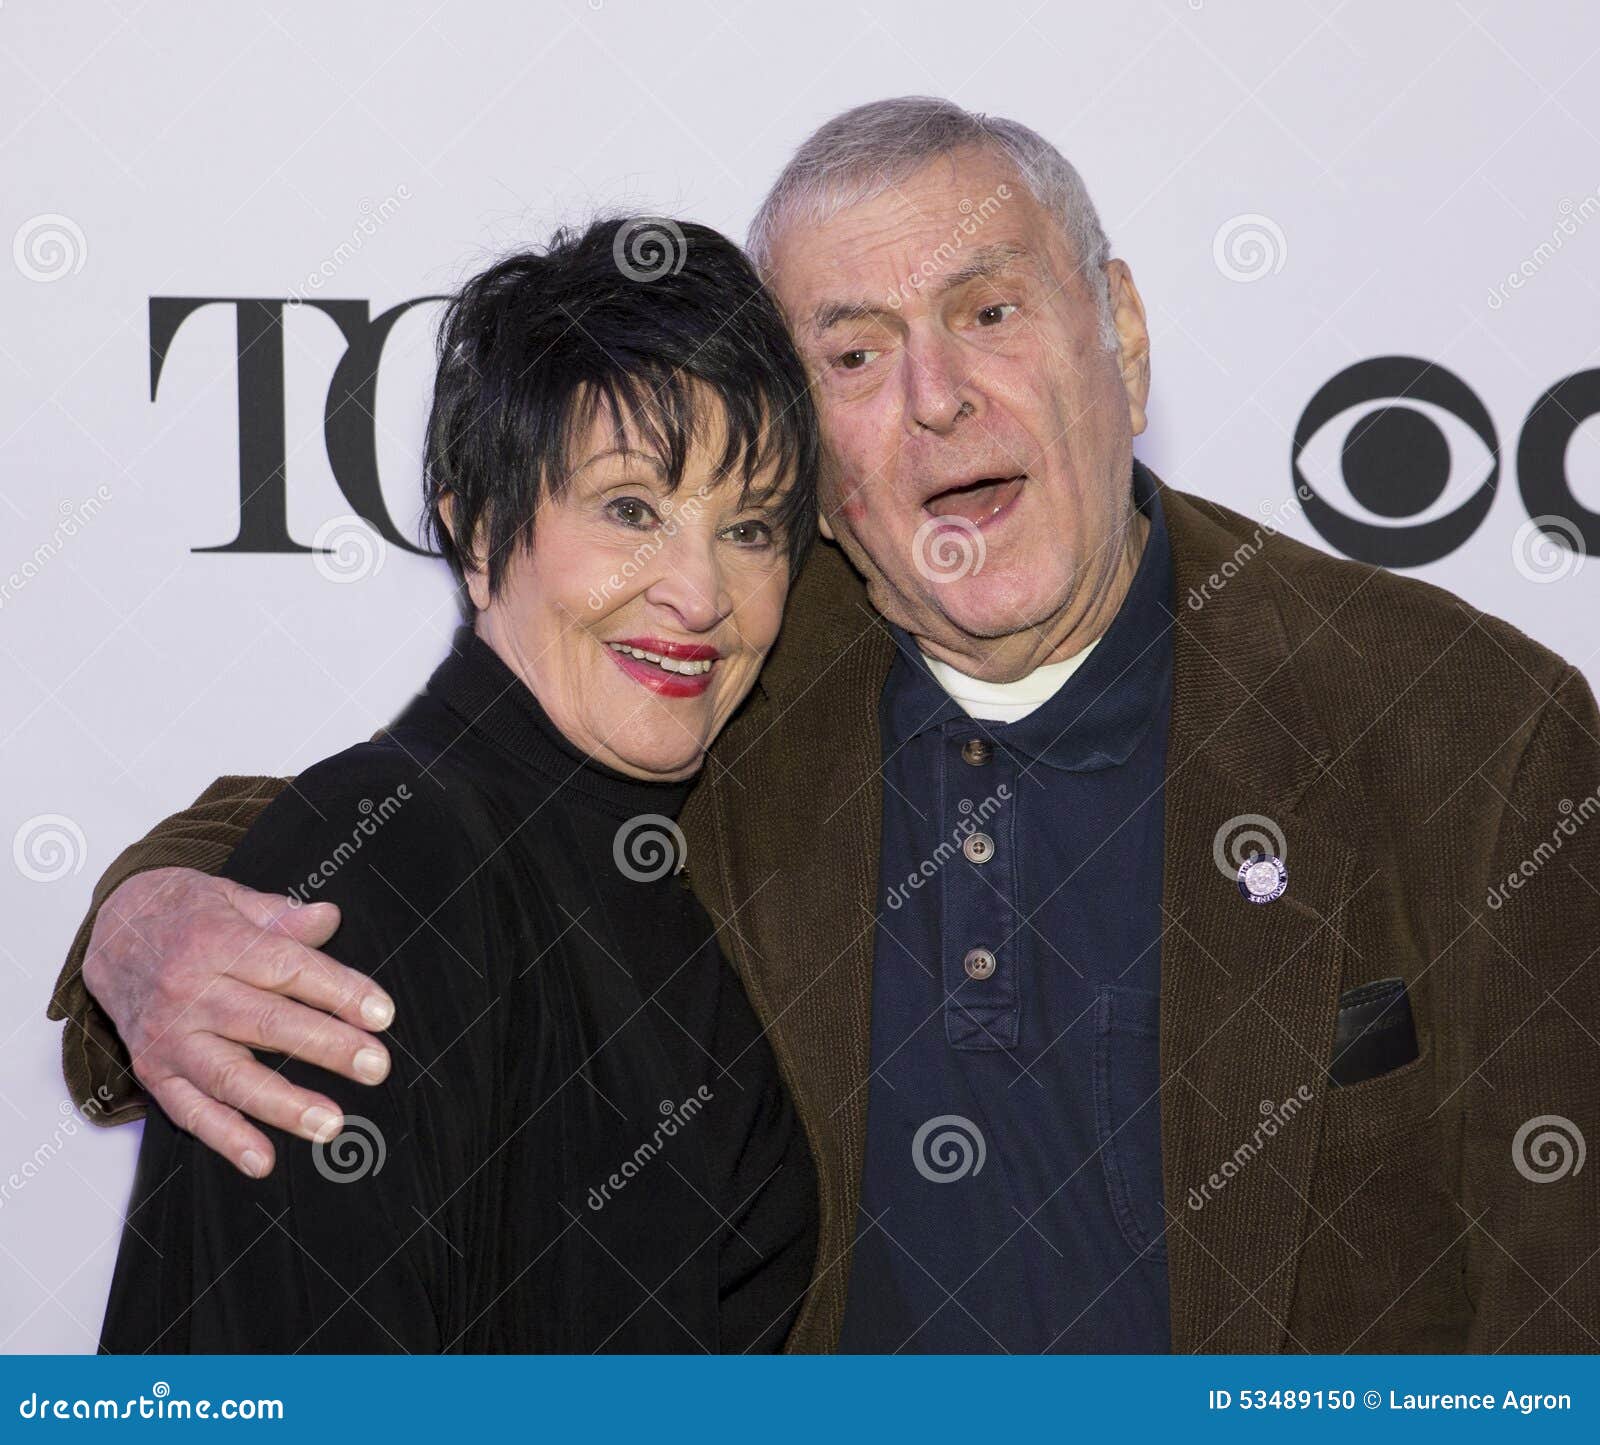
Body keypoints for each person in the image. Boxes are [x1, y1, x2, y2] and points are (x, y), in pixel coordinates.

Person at [54, 99, 1600, 1354]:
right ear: (807, 443)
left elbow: (1561, 1314)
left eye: (988, 310)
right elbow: (453, 801)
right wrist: (147, 915)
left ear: (1119, 334)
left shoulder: (1464, 727)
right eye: (854, 354)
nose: (936, 398)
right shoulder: (733, 661)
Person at [91, 217, 819, 1353]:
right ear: (480, 531)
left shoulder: (657, 902)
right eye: (631, 508)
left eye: (752, 527)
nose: (697, 589)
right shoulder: (385, 866)